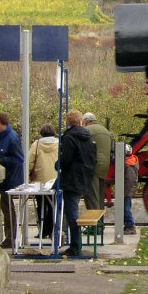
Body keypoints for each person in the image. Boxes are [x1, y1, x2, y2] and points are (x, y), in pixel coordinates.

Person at [58, 109, 96, 256]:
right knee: (73, 211)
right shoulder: (88, 137)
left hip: (71, 179)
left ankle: (75, 246)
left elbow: (66, 159)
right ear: (81, 121)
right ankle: (75, 244)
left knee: (71, 213)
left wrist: (58, 164)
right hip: (84, 177)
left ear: (68, 122)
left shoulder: (69, 138)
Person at [0, 112, 24, 249]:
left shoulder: (11, 138)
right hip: (2, 179)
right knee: (5, 209)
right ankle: (8, 236)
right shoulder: (0, 136)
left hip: (9, 179)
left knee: (8, 209)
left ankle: (10, 237)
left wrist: (1, 160)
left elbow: (19, 159)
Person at [27, 123, 59, 239]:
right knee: (53, 205)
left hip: (39, 181)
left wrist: (27, 174)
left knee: (41, 205)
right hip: (55, 179)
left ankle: (42, 231)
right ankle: (51, 230)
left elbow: (30, 161)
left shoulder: (36, 144)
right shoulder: (59, 144)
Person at [81, 112, 113, 211]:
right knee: (100, 197)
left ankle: (94, 225)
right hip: (105, 167)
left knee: (92, 197)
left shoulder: (86, 130)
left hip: (92, 167)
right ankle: (100, 223)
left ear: (86, 121)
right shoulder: (105, 131)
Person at [124, 144, 139, 235]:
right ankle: (127, 226)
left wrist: (124, 193)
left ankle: (130, 226)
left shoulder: (128, 165)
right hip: (129, 190)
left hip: (127, 191)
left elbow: (129, 181)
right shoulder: (132, 162)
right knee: (126, 208)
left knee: (126, 209)